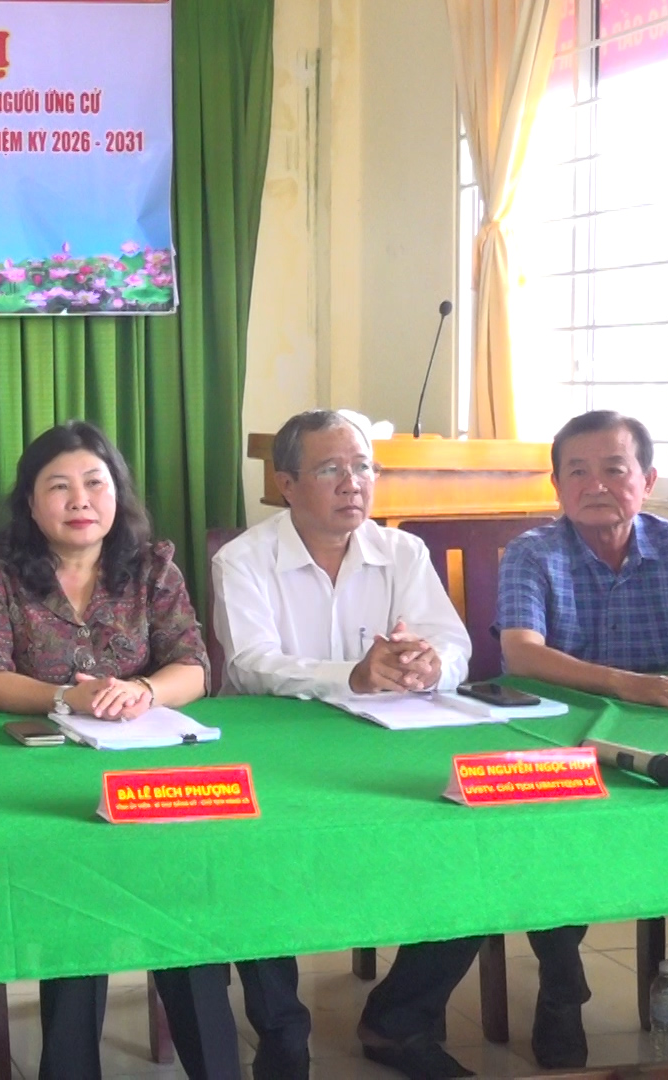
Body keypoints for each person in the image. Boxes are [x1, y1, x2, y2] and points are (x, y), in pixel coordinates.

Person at [0, 421, 250, 1080]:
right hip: (41, 774)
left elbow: (195, 667)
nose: (80, 500)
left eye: (95, 483)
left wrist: (143, 691)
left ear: (118, 493)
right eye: (58, 487)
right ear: (31, 503)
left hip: (146, 770)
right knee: (76, 906)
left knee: (181, 902)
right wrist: (68, 697)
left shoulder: (151, 565)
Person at [211, 410, 472, 1080]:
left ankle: (399, 1020)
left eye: (363, 468)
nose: (353, 483)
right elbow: (249, 663)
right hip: (279, 753)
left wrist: (430, 666)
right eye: (331, 469)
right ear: (286, 483)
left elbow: (453, 643)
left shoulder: (403, 553)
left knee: (474, 839)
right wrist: (349, 677)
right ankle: (282, 1033)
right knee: (254, 861)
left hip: (391, 746)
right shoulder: (243, 559)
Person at [496, 410, 668, 1064]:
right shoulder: (533, 551)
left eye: (614, 469)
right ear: (557, 485)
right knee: (555, 830)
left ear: (648, 480)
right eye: (577, 471)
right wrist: (628, 683)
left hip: (660, 728)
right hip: (550, 728)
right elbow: (522, 654)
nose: (596, 485)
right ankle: (561, 985)